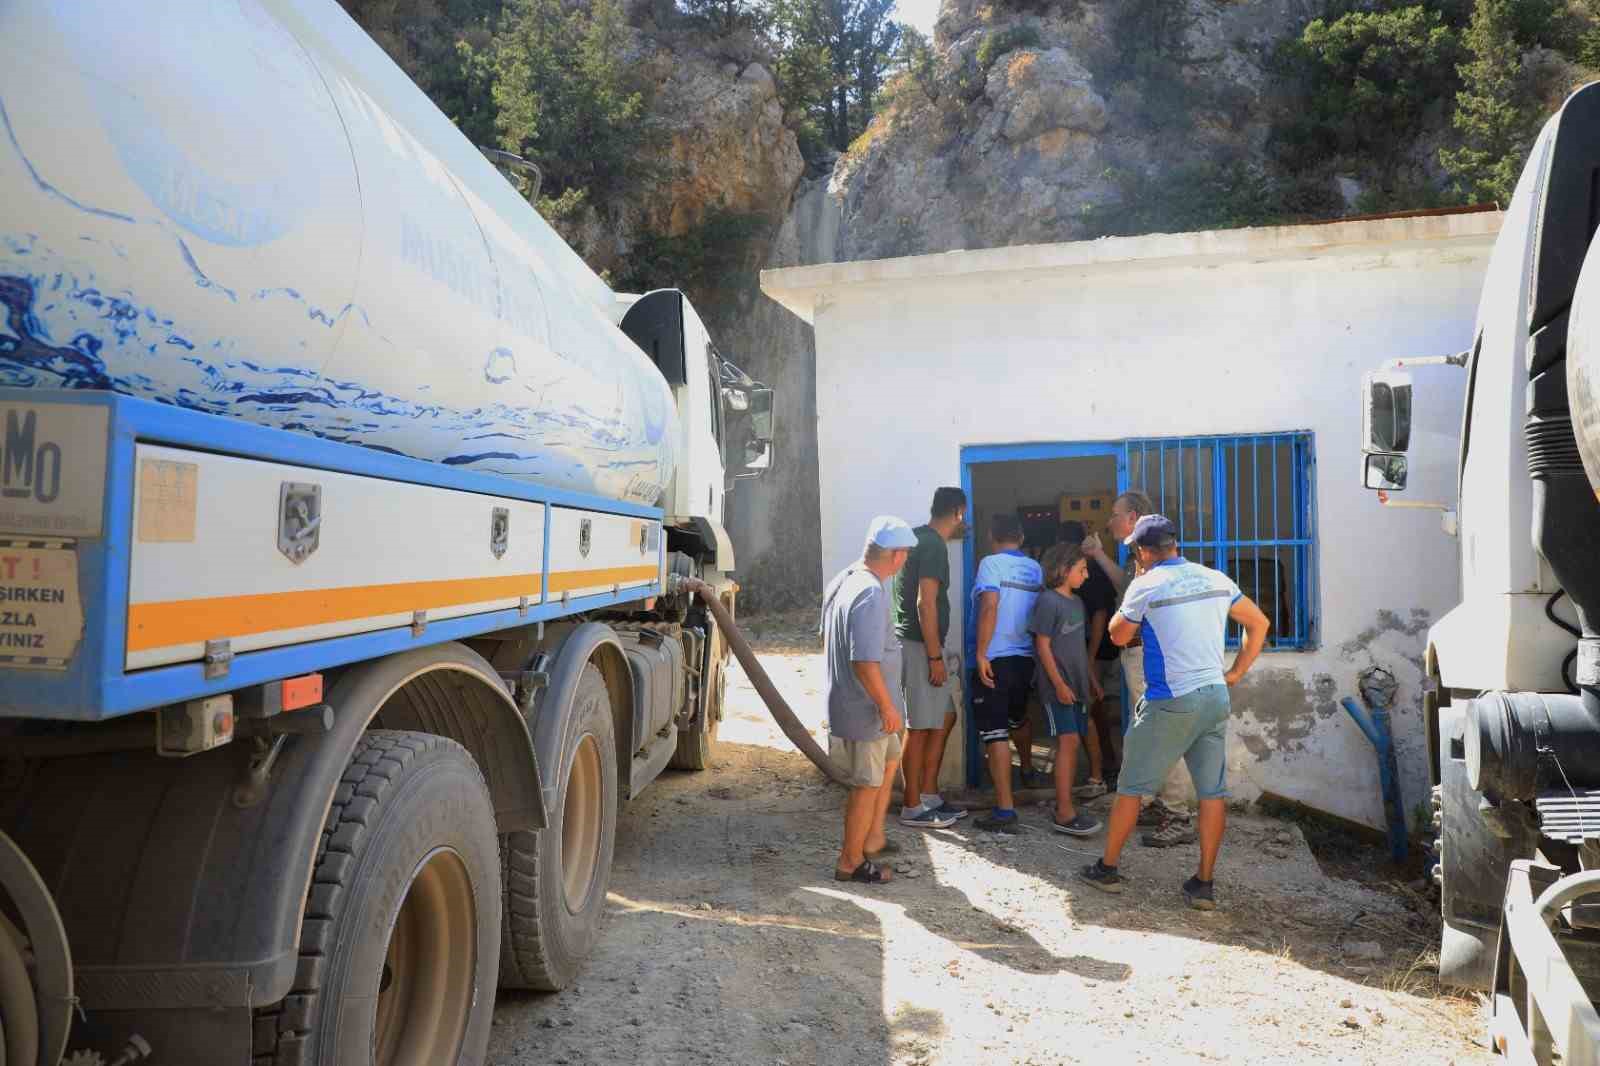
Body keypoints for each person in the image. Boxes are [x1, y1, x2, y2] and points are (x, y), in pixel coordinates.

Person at [1078, 515, 1271, 910]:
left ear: (1143, 552)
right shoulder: (1215, 578)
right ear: (1175, 545)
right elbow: (1260, 623)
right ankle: (1203, 884)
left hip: (1171, 700)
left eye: (1135, 550)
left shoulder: (1146, 583)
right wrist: (1235, 672)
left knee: (1132, 787)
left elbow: (1118, 635)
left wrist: (1137, 583)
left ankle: (1107, 869)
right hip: (1214, 695)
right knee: (1212, 792)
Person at [823, 515, 919, 884]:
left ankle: (872, 840)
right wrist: (886, 705)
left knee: (886, 767)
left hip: (868, 707)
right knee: (866, 785)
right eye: (905, 555)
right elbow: (863, 660)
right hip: (868, 711)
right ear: (894, 555)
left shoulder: (847, 579)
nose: (906, 562)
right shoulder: (869, 592)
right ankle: (850, 862)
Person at [891, 487, 968, 829]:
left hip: (919, 645)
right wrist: (935, 656)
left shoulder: (918, 537)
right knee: (919, 726)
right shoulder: (934, 544)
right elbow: (926, 603)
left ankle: (929, 795)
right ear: (958, 512)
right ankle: (912, 806)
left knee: (945, 716)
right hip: (921, 646)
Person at [970, 514, 1043, 833]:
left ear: (991, 536)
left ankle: (1004, 810)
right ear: (1022, 538)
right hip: (1024, 657)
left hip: (996, 658)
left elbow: (989, 606)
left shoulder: (991, 563)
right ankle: (1027, 768)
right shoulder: (1034, 568)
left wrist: (981, 652)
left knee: (995, 731)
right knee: (1018, 717)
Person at [1029, 542, 1103, 836]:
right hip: (1058, 687)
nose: (1086, 576)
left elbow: (1079, 647)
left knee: (1072, 743)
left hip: (1079, 686)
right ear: (1063, 569)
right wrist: (1058, 683)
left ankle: (1065, 804)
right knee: (1069, 742)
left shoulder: (1077, 603)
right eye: (1082, 570)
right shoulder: (1048, 601)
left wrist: (1092, 679)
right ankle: (1063, 811)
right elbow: (1042, 645)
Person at [1057, 520, 1115, 801]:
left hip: (1097, 653)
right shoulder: (1073, 575)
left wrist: (1090, 660)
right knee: (1091, 713)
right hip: (1083, 653)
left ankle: (1104, 769)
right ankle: (1102, 768)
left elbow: (1100, 617)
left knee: (1093, 712)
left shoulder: (1093, 574)